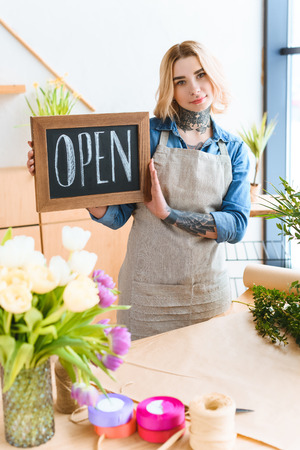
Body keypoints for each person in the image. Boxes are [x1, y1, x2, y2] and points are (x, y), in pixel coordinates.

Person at [27, 41, 251, 341]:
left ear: (214, 76)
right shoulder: (145, 135)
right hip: (148, 299)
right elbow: (118, 216)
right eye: (180, 81)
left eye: (201, 75)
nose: (194, 88)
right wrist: (56, 173)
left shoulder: (234, 150)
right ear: (169, 88)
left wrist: (168, 214)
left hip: (209, 296)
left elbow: (236, 226)